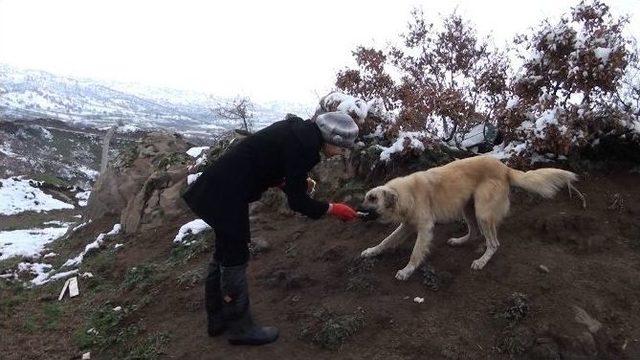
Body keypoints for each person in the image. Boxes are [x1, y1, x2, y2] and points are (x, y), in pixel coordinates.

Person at [182, 111, 360, 346]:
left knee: (224, 254)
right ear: (332, 140)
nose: (342, 153)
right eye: (342, 148)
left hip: (217, 187)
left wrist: (285, 180)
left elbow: (266, 159)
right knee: (234, 258)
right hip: (226, 195)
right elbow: (298, 202)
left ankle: (217, 319)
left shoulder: (296, 131)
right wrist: (333, 208)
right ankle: (241, 329)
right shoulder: (304, 148)